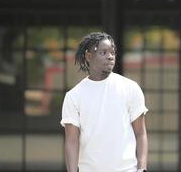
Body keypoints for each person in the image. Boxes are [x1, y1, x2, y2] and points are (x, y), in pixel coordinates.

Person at [60, 32, 148, 172]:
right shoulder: (74, 96)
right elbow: (71, 141)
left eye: (112, 52)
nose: (110, 56)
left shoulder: (130, 88)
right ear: (89, 56)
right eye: (103, 52)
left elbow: (140, 133)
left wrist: (142, 168)